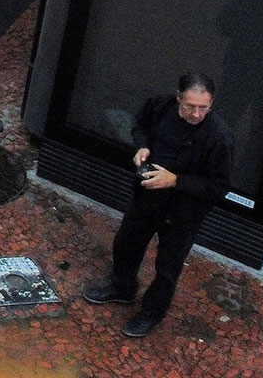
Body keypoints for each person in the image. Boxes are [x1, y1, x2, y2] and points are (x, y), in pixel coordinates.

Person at [81, 74, 233, 337]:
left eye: (203, 108)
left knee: (167, 268)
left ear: (211, 105)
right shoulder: (161, 107)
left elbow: (218, 188)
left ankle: (154, 311)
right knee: (127, 242)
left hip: (183, 213)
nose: (196, 114)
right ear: (178, 98)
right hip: (147, 197)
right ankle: (122, 286)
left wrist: (176, 181)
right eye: (189, 106)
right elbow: (139, 125)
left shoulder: (219, 137)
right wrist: (141, 147)